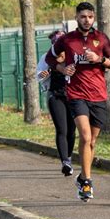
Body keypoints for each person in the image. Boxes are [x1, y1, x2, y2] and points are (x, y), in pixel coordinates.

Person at [46, 2, 110, 201]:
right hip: (76, 94)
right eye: (83, 16)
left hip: (98, 95)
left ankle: (81, 176)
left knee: (92, 141)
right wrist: (62, 69)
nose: (86, 20)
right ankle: (87, 182)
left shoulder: (101, 39)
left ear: (93, 18)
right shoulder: (67, 40)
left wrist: (99, 59)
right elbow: (50, 59)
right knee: (85, 137)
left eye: (90, 17)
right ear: (76, 17)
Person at [37, 30, 76, 177]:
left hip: (73, 97)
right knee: (62, 129)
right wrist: (44, 74)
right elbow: (38, 75)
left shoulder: (73, 56)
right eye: (55, 43)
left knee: (71, 131)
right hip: (56, 95)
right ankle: (65, 162)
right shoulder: (47, 58)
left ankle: (69, 157)